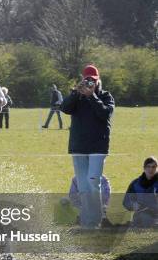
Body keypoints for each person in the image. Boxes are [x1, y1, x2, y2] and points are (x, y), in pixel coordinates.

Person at [60, 64, 115, 228]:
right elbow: (65, 108)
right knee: (83, 185)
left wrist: (92, 97)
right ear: (82, 80)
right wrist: (76, 93)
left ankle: (95, 220)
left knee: (93, 181)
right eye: (87, 81)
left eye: (93, 81)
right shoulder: (77, 96)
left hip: (98, 147)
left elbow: (105, 113)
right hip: (78, 147)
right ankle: (87, 222)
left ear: (98, 81)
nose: (91, 84)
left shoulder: (106, 96)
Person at [123, 156, 158, 227]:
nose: (151, 169)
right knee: (144, 218)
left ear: (157, 168)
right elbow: (126, 202)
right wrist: (133, 205)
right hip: (142, 213)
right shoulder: (135, 184)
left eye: (153, 167)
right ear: (144, 168)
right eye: (148, 166)